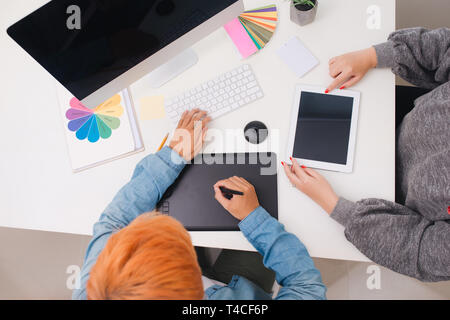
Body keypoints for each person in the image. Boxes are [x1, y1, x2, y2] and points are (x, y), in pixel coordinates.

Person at [73, 109, 326, 300]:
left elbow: (114, 222)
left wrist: (173, 156)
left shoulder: (98, 286)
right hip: (239, 289)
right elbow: (307, 288)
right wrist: (254, 217)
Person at [282, 27, 450, 282]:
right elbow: (443, 47)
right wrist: (373, 56)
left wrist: (334, 205)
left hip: (390, 200)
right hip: (401, 118)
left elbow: (421, 252)